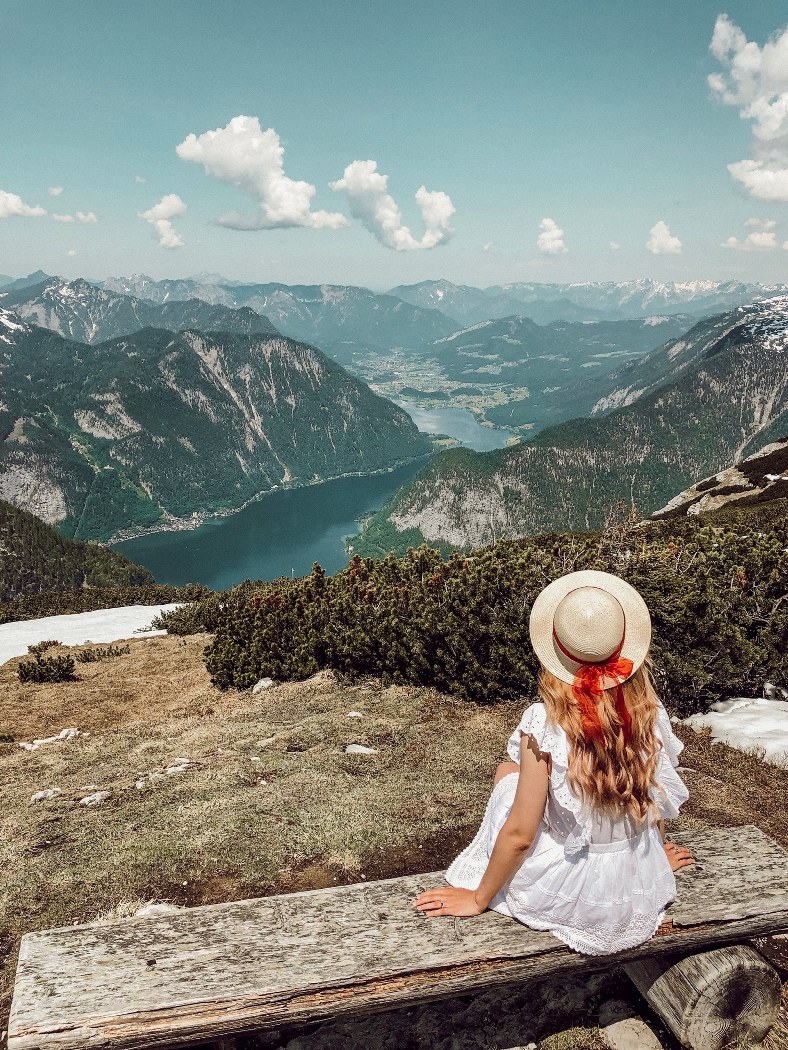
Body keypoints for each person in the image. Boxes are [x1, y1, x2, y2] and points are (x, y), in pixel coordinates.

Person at [412, 569, 694, 955]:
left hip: (575, 885)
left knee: (507, 778)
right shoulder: (646, 712)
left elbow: (521, 835)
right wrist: (654, 856)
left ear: (556, 654)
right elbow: (649, 794)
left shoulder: (545, 723)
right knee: (510, 773)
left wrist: (478, 899)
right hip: (633, 877)